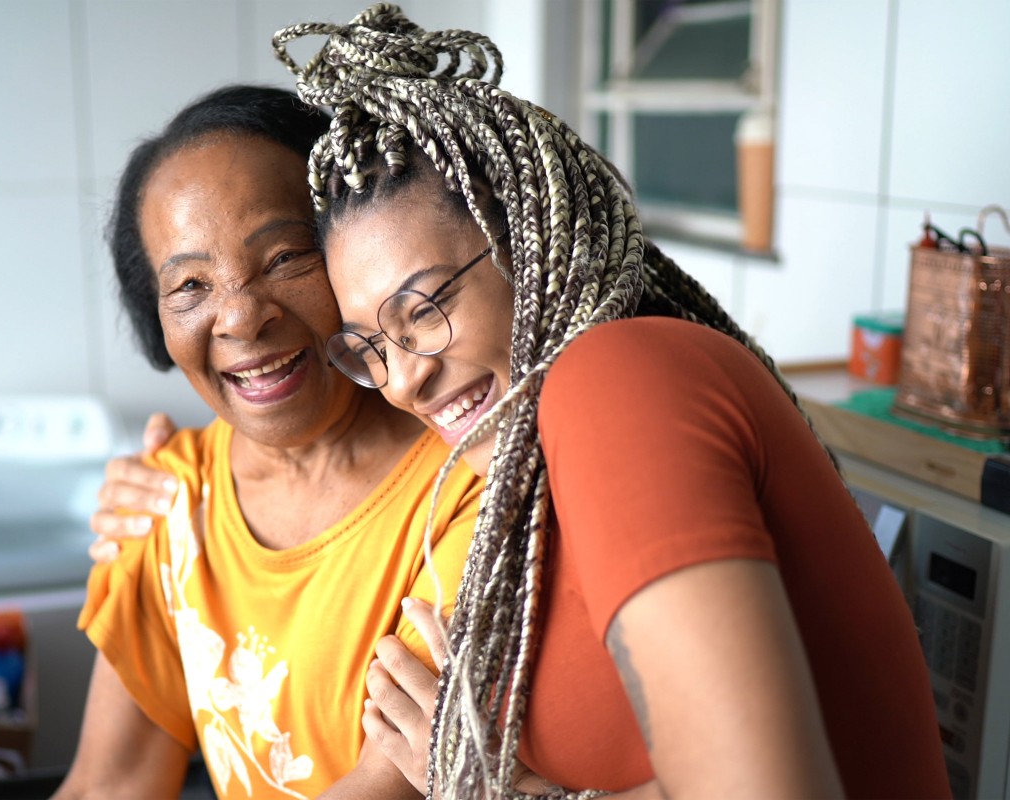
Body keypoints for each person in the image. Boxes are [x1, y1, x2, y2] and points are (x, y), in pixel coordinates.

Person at [264, 5, 951, 798]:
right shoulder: (530, 481)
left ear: (532, 244)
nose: (404, 380)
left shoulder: (618, 378)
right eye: (372, 348)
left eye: (423, 310)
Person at [54, 84, 483, 800]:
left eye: (285, 258)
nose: (242, 318)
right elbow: (110, 785)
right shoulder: (169, 501)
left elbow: (391, 786)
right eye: (191, 284)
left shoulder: (468, 478)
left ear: (357, 249)